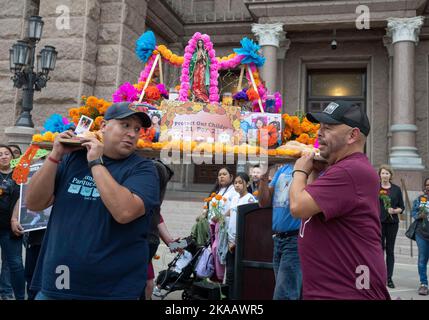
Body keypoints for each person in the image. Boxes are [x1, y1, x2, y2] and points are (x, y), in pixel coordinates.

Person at [26, 101, 160, 300]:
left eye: (137, 128)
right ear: (104, 126)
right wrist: (55, 156)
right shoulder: (72, 158)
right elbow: (34, 203)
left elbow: (124, 212)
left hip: (112, 290)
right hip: (57, 282)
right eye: (125, 125)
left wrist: (96, 162)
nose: (132, 133)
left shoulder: (144, 169)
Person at [289, 100, 390, 299]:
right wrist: (315, 172)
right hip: (334, 289)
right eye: (320, 126)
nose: (319, 133)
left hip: (348, 291)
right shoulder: (342, 168)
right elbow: (312, 208)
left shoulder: (350, 171)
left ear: (353, 135)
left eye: (328, 127)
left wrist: (300, 170)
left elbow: (298, 206)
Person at [258, 162, 302, 300]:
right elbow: (263, 202)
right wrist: (263, 178)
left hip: (294, 240)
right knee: (286, 292)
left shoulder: (307, 167)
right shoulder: (282, 169)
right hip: (278, 239)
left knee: (284, 295)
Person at [225, 172, 257, 299]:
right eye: (235, 183)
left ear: (247, 184)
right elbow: (230, 213)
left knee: (236, 274)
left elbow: (249, 223)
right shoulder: (235, 198)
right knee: (230, 275)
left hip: (240, 242)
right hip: (230, 241)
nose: (237, 185)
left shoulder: (250, 199)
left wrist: (237, 241)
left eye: (240, 182)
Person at [0, 145, 25, 300]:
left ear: (12, 156)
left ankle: (18, 296)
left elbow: (24, 197)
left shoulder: (20, 175)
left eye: (6, 153)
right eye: (0, 154)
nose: (3, 156)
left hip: (10, 228)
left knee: (14, 264)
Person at [206, 167, 238, 282]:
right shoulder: (217, 191)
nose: (222, 176)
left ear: (231, 177)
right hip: (214, 227)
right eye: (220, 175)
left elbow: (234, 209)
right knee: (214, 251)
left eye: (224, 174)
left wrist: (221, 217)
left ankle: (221, 279)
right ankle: (216, 278)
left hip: (225, 227)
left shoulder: (234, 191)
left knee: (219, 250)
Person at [378, 164, 404, 289]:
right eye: (383, 173)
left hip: (392, 224)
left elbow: (402, 208)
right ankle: (379, 276)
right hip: (379, 223)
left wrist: (394, 211)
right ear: (379, 175)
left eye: (387, 173)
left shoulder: (396, 189)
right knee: (379, 249)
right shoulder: (375, 188)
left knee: (390, 250)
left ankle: (389, 278)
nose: (385, 175)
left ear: (390, 175)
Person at [411, 177, 429, 296]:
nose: (428, 187)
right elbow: (413, 212)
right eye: (427, 185)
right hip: (421, 233)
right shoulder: (420, 199)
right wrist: (419, 215)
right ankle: (423, 284)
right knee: (422, 259)